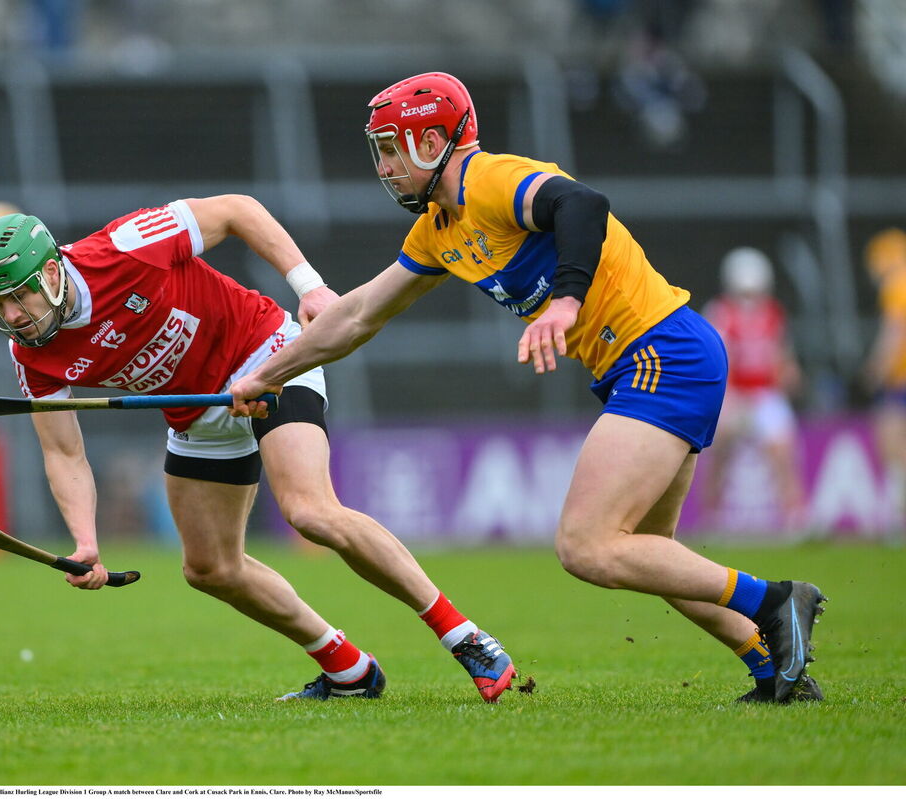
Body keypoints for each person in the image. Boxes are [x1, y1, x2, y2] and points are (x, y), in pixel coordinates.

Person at [229, 72, 825, 704]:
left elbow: (583, 204)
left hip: (662, 351)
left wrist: (566, 302)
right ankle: (776, 673)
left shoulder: (491, 180)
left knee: (586, 546)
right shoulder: (438, 230)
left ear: (434, 141)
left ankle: (779, 601)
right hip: (651, 361)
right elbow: (356, 317)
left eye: (392, 147)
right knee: (645, 552)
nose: (385, 165)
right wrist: (265, 375)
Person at [0, 200, 518, 703]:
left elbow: (238, 212)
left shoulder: (126, 247)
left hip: (265, 356)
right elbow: (64, 453)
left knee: (309, 512)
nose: (11, 316)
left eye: (17, 297)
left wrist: (310, 288)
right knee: (210, 569)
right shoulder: (31, 355)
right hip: (197, 413)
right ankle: (348, 669)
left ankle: (467, 638)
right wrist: (85, 541)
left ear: (52, 272)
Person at [702, 247, 807, 532]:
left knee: (782, 451)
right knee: (718, 451)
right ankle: (711, 515)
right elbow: (718, 358)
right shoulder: (720, 313)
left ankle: (794, 517)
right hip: (733, 394)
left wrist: (789, 372)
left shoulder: (773, 313)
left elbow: (780, 353)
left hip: (764, 393)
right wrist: (727, 399)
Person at [862, 228, 906, 535]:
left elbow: (895, 332)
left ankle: (898, 520)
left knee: (893, 450)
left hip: (900, 381)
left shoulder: (896, 285)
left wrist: (877, 369)